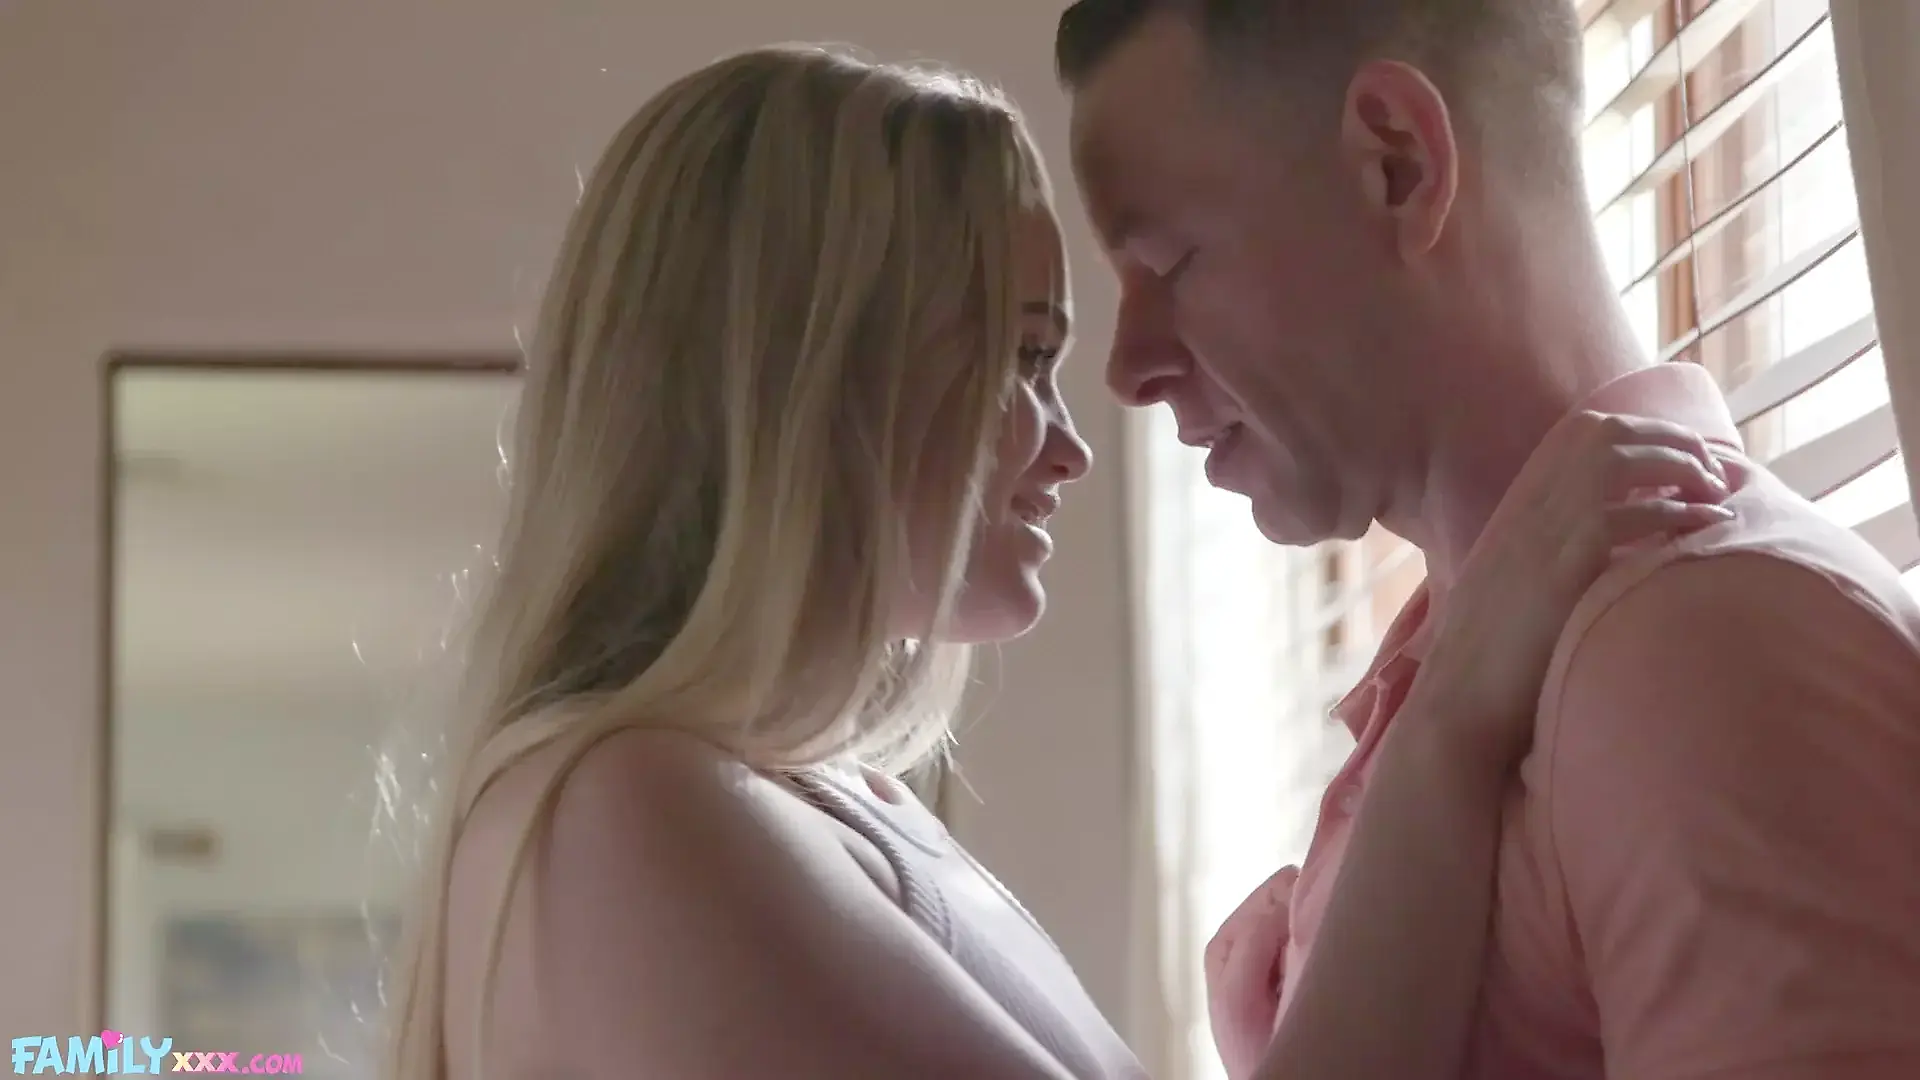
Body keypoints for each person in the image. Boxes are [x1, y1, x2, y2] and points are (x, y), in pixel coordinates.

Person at [379, 43, 1733, 1080]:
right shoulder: (629, 816)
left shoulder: (816, 806)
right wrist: (1455, 717)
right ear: (810, 374)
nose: (1074, 445)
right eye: (1023, 356)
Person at [1053, 1, 1920, 1078]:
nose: (1127, 368)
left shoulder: (1699, 651)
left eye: (1172, 263)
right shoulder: (1466, 682)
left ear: (1398, 165)